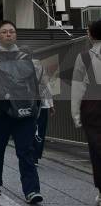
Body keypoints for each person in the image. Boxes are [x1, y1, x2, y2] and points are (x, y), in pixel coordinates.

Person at [0, 20, 43, 204]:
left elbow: (34, 85)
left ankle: (32, 191)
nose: (8, 34)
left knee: (26, 151)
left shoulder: (25, 56)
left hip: (25, 111)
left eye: (11, 31)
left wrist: (38, 106)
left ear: (16, 34)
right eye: (4, 32)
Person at [72, 19, 101, 206]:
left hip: (93, 107)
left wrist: (75, 114)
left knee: (97, 150)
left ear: (90, 34)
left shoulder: (84, 57)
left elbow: (77, 88)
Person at [32, 56, 54, 165]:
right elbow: (48, 88)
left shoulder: (24, 70)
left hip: (28, 106)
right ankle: (36, 155)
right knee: (40, 130)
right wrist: (51, 105)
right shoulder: (42, 71)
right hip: (43, 106)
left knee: (28, 129)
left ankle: (29, 154)